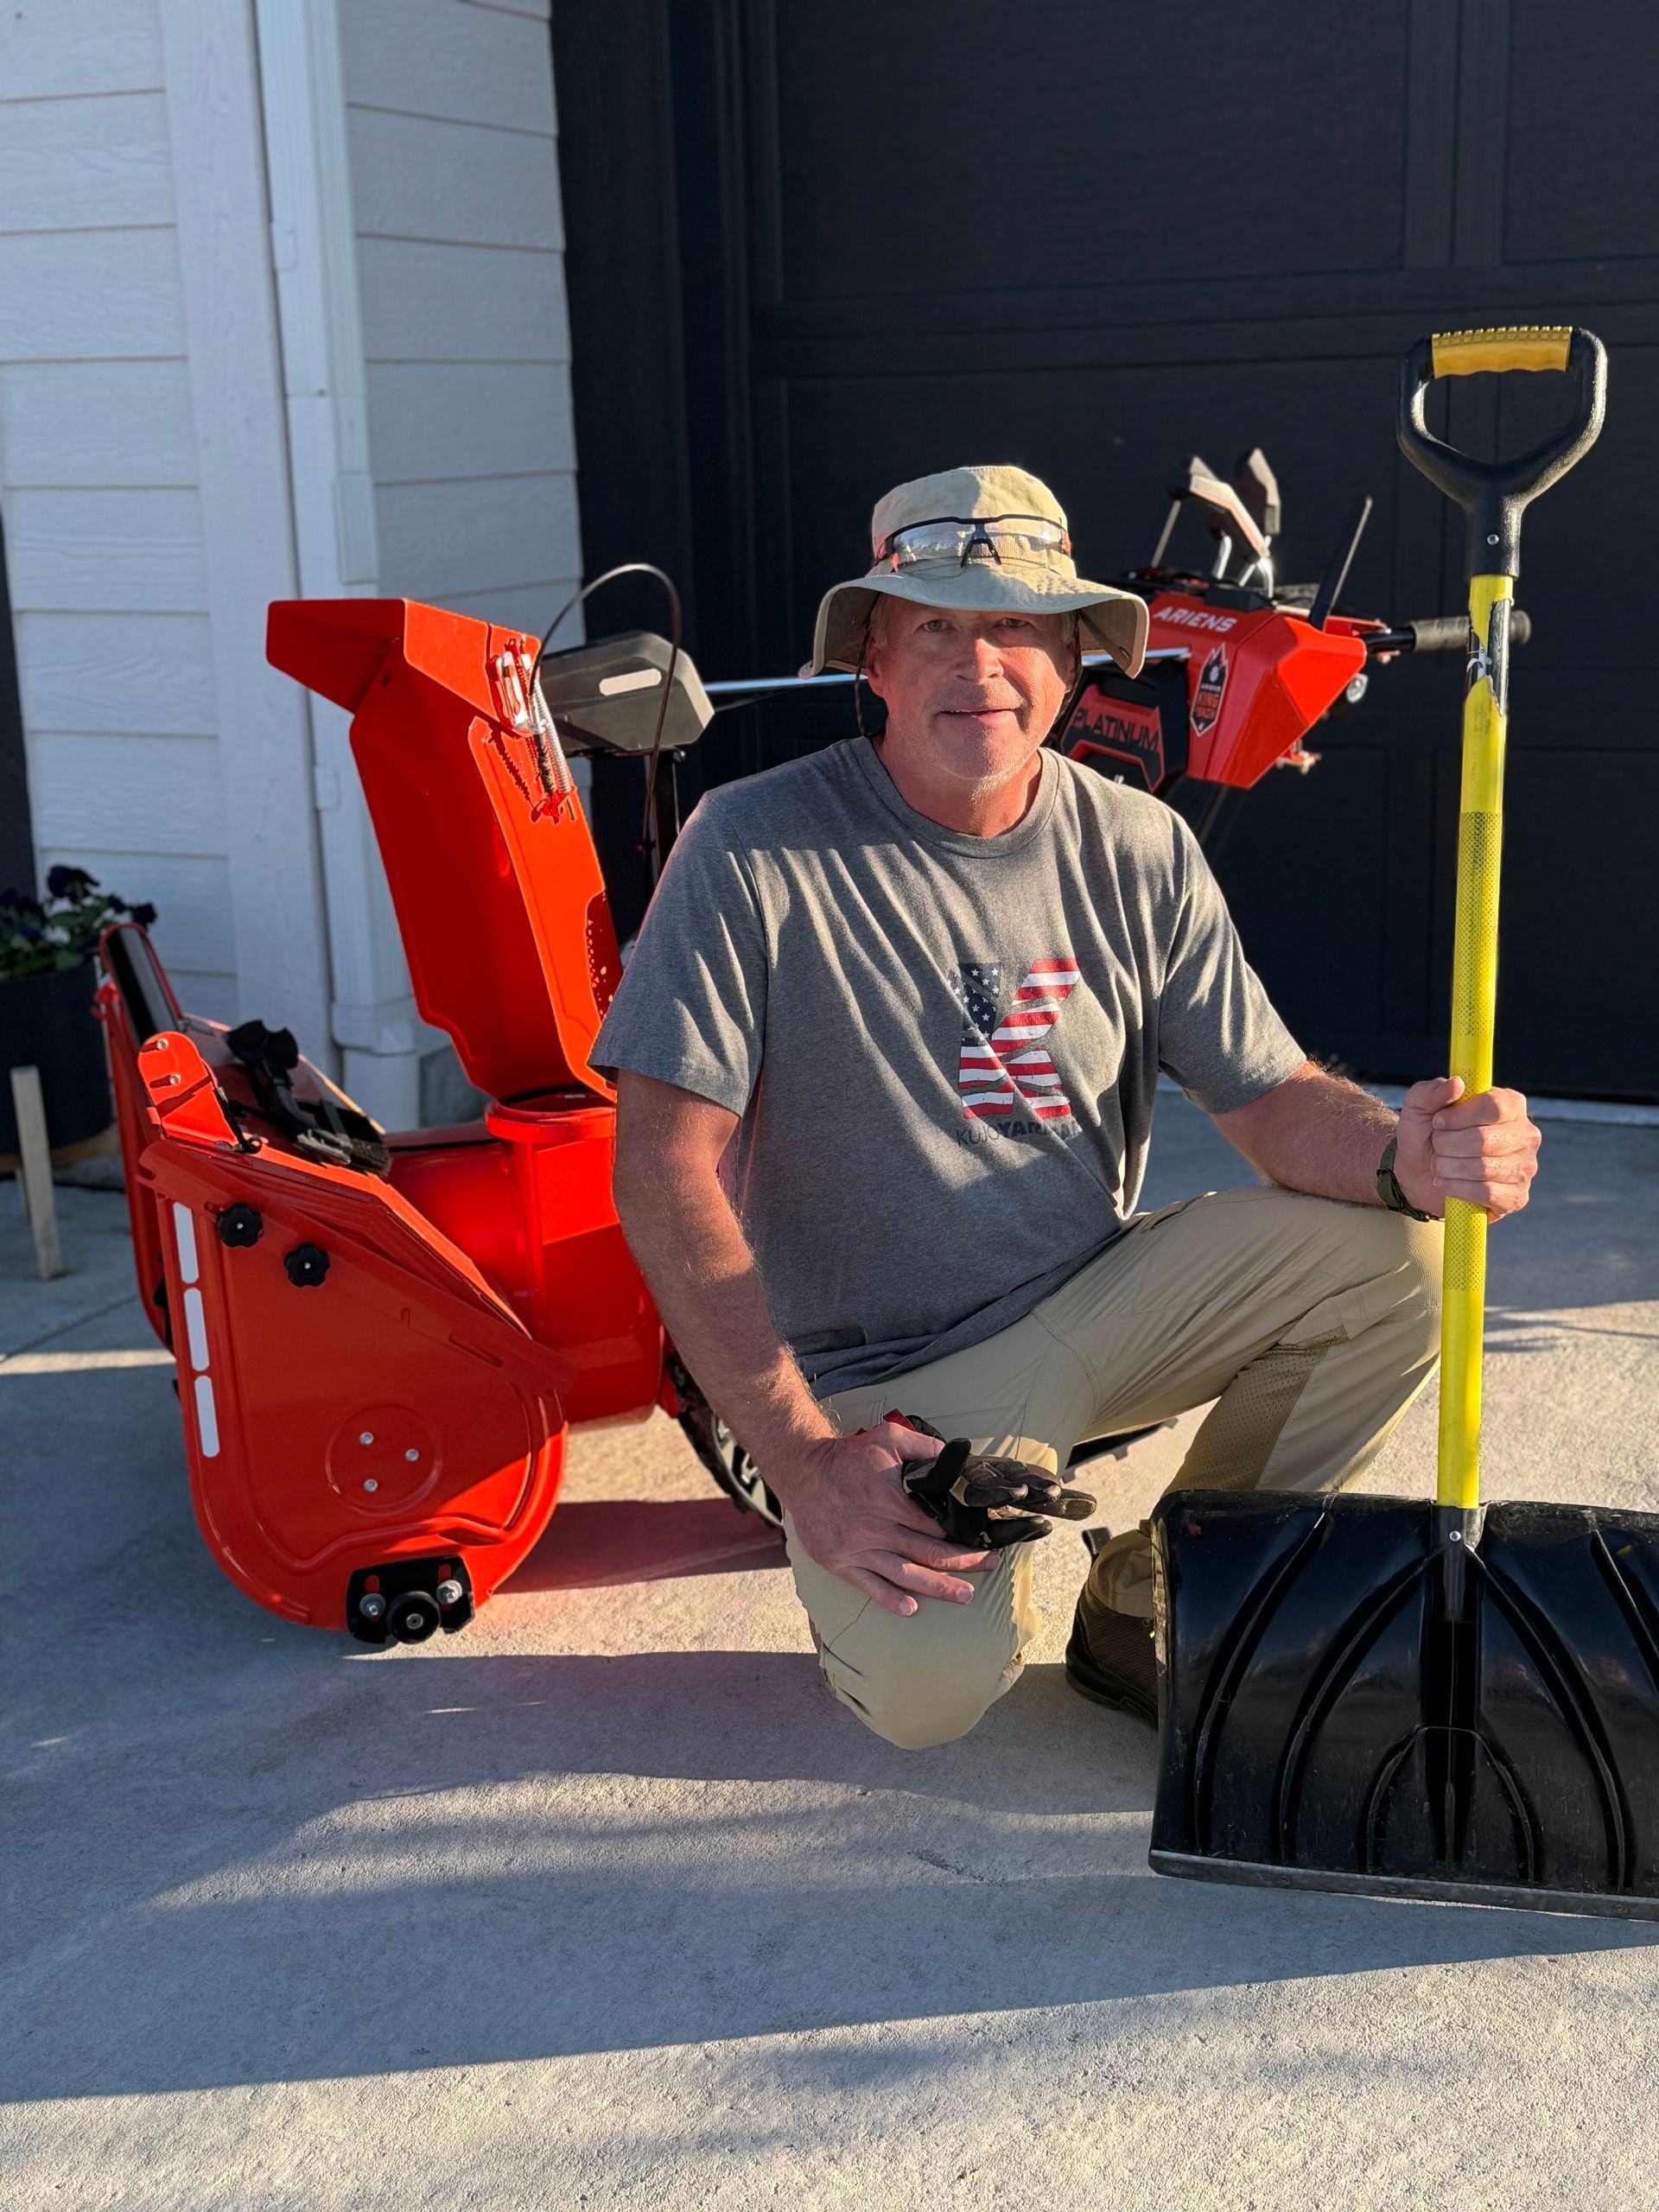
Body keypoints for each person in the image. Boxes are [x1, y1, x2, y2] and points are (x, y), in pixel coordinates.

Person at [589, 464, 1541, 1750]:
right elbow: (661, 1170)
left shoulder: (1139, 845)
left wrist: (1407, 1155)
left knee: (1400, 1258)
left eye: (1019, 624)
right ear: (874, 656)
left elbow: (1270, 1100)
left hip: (1094, 1310)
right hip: (877, 1390)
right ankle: (926, 1544)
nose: (982, 662)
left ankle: (1153, 1591)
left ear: (1077, 657)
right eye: (939, 624)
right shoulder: (750, 846)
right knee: (931, 1703)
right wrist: (805, 1459)